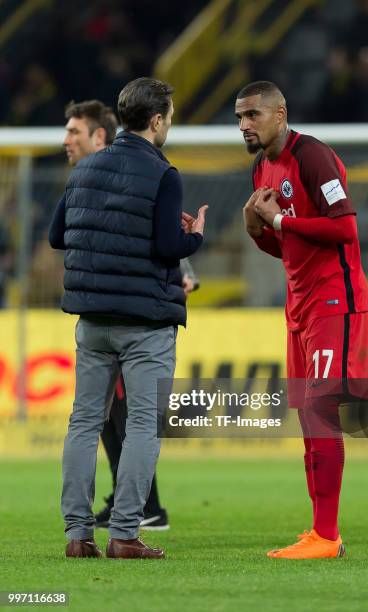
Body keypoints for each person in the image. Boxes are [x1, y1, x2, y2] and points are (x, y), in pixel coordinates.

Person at [49, 77, 207, 559]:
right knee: (141, 424)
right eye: (171, 116)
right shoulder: (164, 173)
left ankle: (78, 536)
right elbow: (166, 247)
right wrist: (194, 236)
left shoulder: (84, 171)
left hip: (92, 321)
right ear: (157, 120)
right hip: (144, 324)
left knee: (83, 422)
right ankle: (123, 534)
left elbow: (59, 235)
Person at [236, 81, 368, 559]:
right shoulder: (261, 167)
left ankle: (328, 536)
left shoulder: (312, 156)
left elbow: (345, 228)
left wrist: (277, 223)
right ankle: (319, 531)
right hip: (299, 305)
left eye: (252, 115)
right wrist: (258, 232)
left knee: (320, 412)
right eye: (239, 118)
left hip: (335, 300)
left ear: (280, 113)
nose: (244, 125)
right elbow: (284, 246)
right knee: (306, 415)